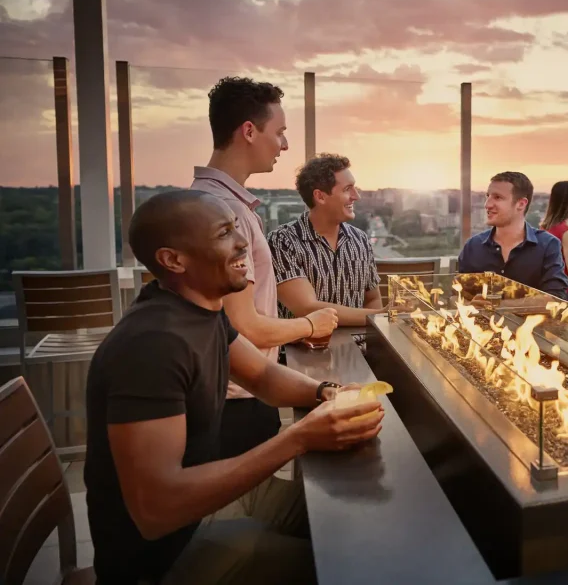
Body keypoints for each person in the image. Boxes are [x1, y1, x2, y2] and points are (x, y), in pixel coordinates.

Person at [84, 190, 384, 585]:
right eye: (224, 233)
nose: (242, 243)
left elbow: (262, 376)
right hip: (167, 556)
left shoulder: (200, 310)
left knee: (356, 517)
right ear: (173, 259)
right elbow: (156, 510)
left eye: (238, 230)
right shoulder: (152, 345)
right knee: (352, 565)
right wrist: (299, 438)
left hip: (207, 510)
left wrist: (326, 391)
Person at [191, 76, 338, 465]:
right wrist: (312, 324)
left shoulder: (203, 200)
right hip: (238, 397)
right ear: (250, 131)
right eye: (281, 132)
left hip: (232, 390)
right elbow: (245, 327)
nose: (285, 145)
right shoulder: (227, 212)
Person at [269, 154, 386, 325]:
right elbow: (307, 308)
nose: (356, 196)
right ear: (320, 196)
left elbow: (372, 299)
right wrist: (381, 316)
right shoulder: (282, 242)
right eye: (347, 189)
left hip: (359, 348)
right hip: (306, 349)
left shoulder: (360, 239)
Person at [457, 171, 568, 299]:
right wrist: (470, 304)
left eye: (497, 197)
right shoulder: (473, 246)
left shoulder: (548, 245)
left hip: (530, 320)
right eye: (488, 196)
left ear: (521, 204)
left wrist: (498, 305)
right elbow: (459, 296)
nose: (487, 204)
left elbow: (555, 298)